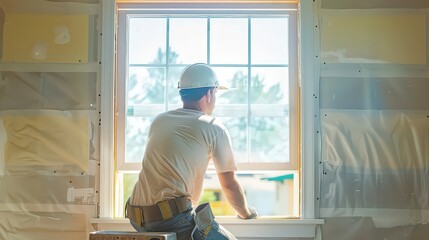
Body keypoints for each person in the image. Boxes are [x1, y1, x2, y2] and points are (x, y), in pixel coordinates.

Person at [125, 63, 258, 240]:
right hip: (169, 220)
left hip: (136, 217)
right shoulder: (213, 127)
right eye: (216, 93)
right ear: (209, 94)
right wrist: (247, 213)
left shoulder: (159, 121)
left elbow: (189, 176)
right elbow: (228, 184)